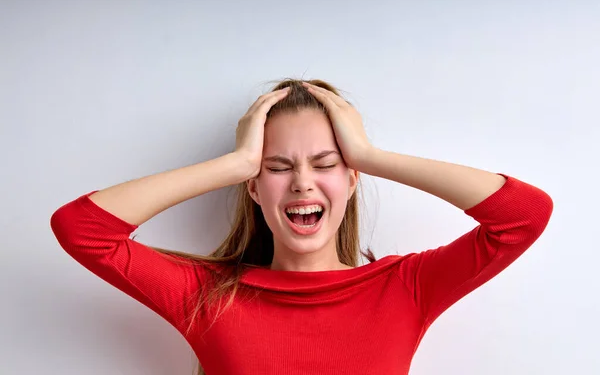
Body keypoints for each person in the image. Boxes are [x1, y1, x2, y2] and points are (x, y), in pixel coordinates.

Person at [50, 78, 554, 375]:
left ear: (353, 179)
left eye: (325, 163)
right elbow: (82, 228)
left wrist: (371, 155)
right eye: (277, 167)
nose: (301, 184)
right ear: (253, 185)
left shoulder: (405, 288)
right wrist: (234, 164)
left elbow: (522, 217)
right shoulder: (207, 295)